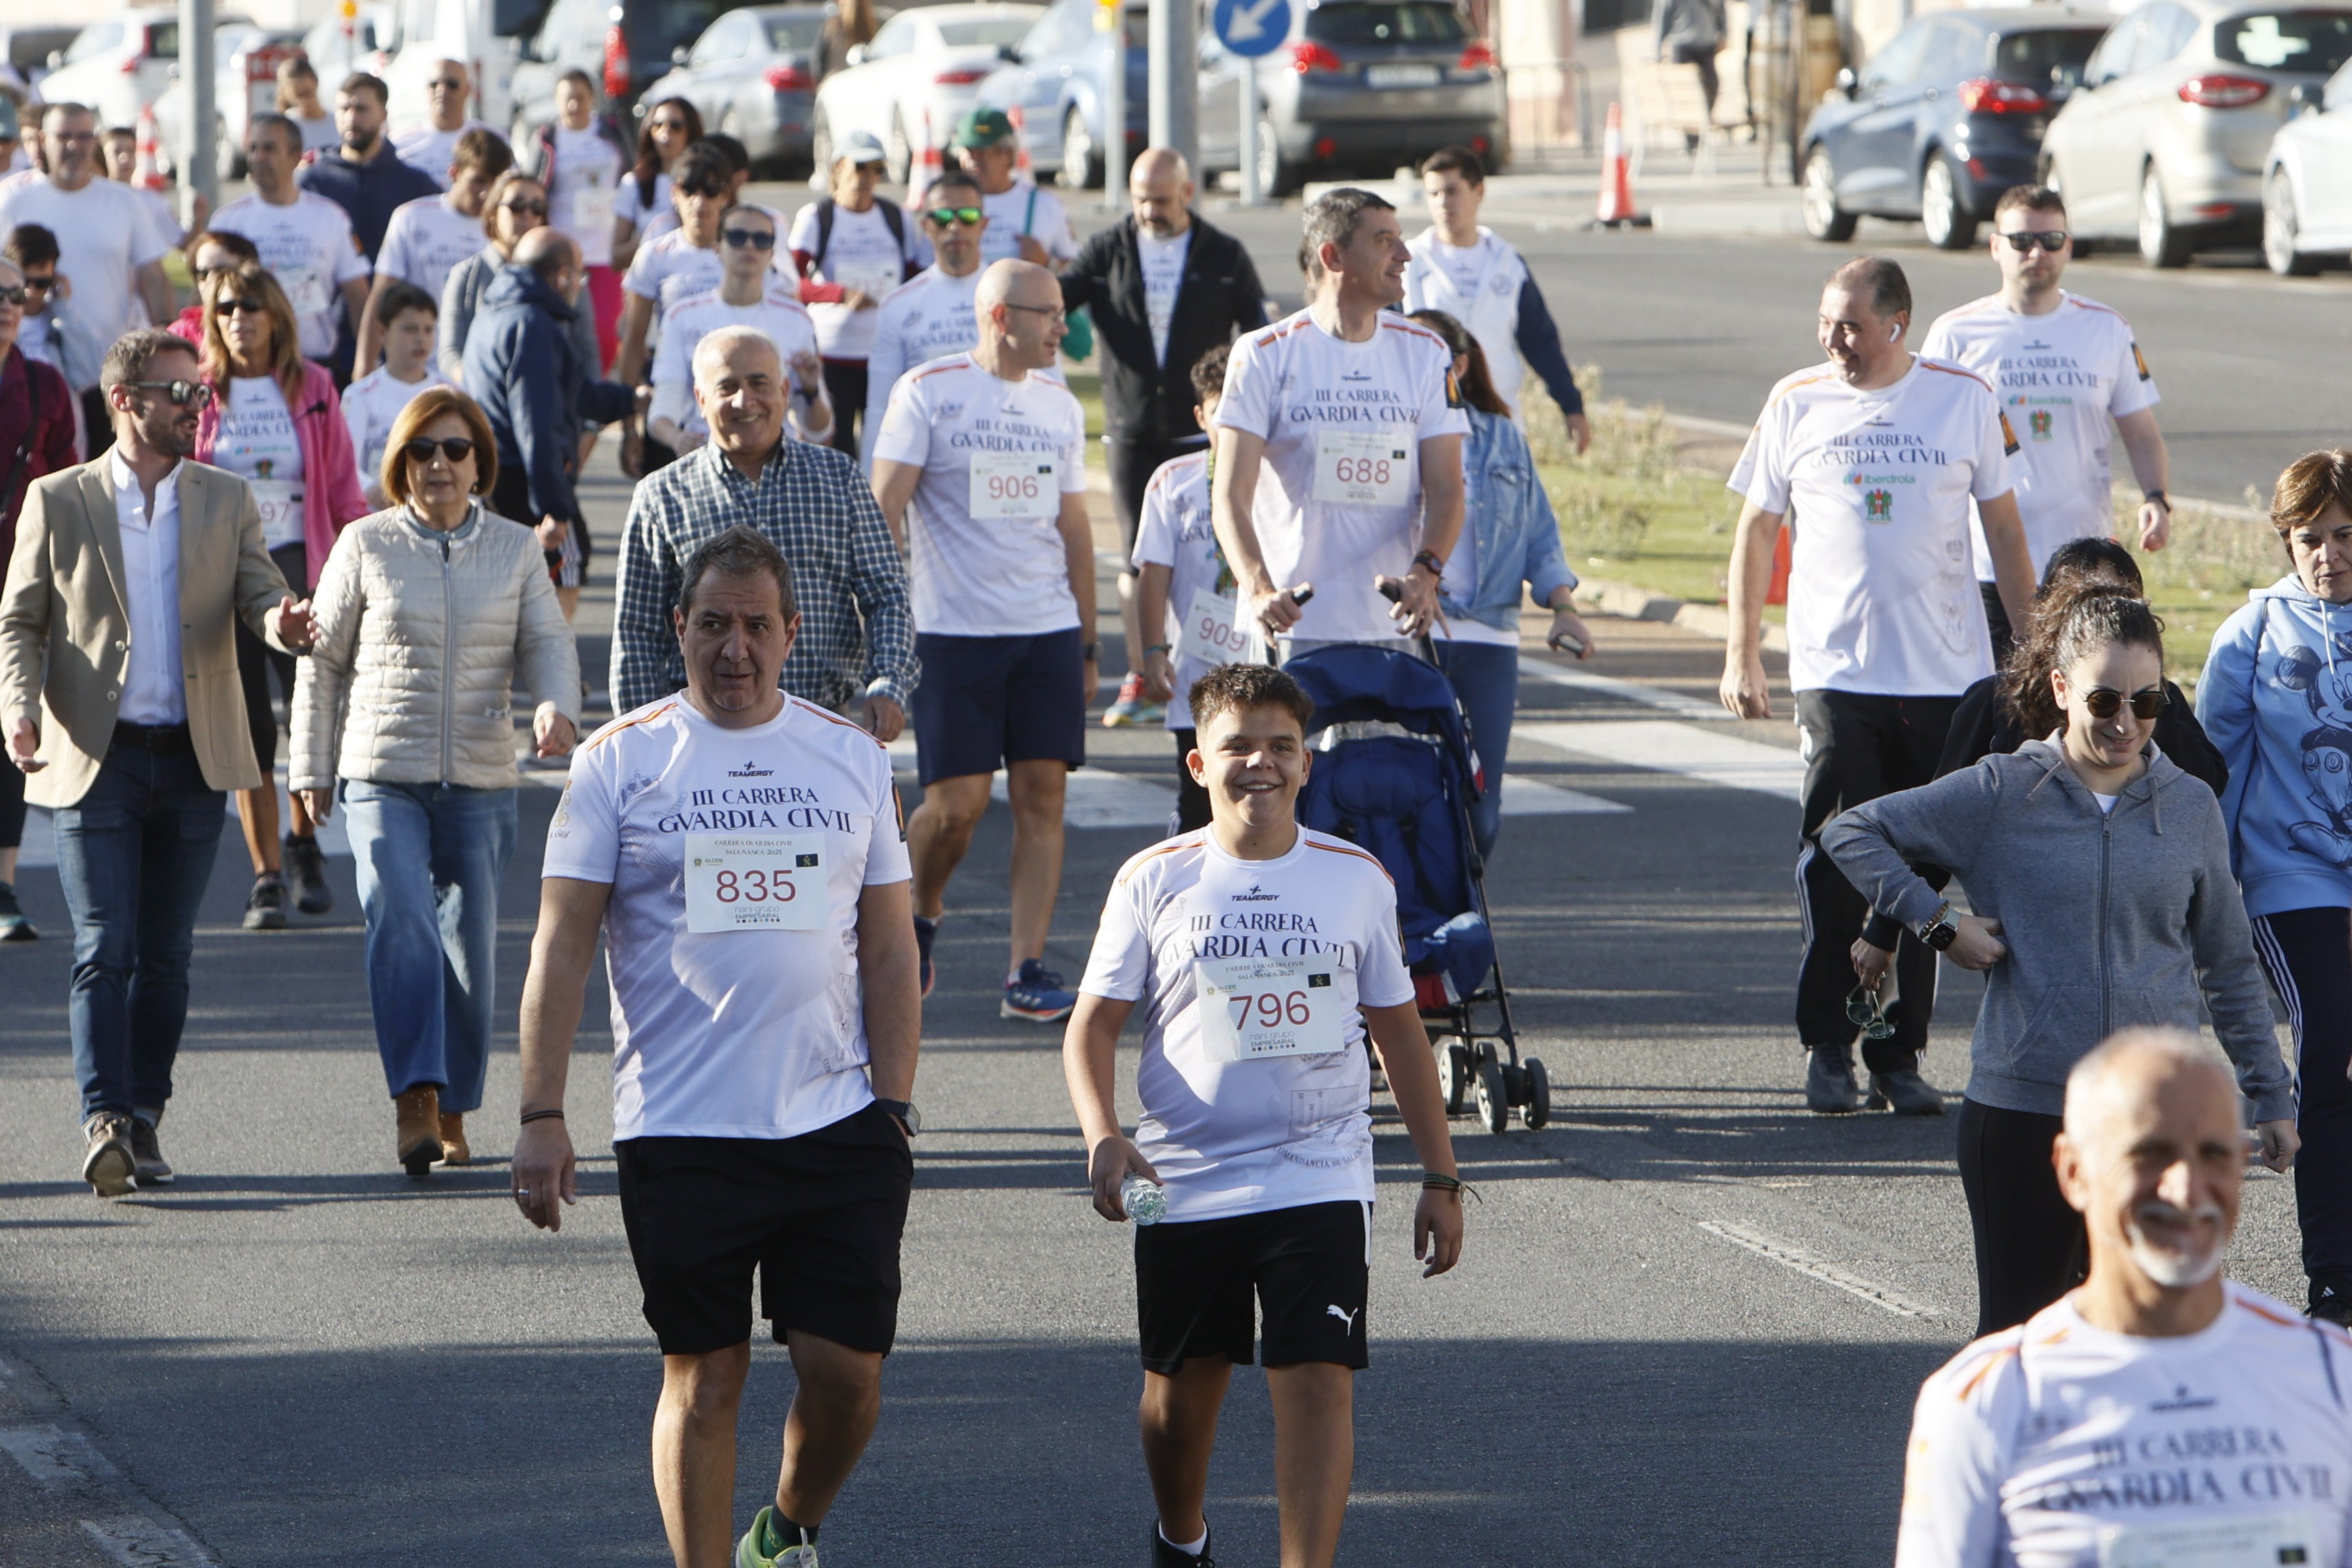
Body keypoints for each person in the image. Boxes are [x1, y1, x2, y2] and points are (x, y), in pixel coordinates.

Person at [513, 525, 921, 1568]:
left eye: (755, 626)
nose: (734, 649)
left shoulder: (851, 757)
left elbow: (888, 946)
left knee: (850, 1377)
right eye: (712, 625)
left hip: (836, 1118)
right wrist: (542, 1113)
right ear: (677, 629)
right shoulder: (622, 759)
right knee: (705, 1378)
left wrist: (894, 1104)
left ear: (792, 632)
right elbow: (562, 945)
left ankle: (784, 1530)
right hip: (682, 1126)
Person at [1064, 661, 1467, 1568]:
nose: (1261, 764)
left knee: (1320, 1380)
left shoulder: (1355, 878)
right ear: (1199, 763)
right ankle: (1182, 1537)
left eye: (1282, 746)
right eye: (1238, 746)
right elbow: (1091, 1027)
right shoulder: (1153, 879)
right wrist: (1103, 1136)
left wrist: (1441, 1175)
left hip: (1319, 1167)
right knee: (1178, 1397)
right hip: (1181, 1175)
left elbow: (1399, 1033)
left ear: (1306, 762)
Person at [1823, 591, 2296, 1335]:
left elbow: (2229, 965)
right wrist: (1939, 924)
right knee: (2024, 1343)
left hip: (2157, 1121)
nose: (2125, 722)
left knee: (2151, 1341)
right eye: (2104, 700)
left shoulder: (2190, 807)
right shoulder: (2002, 791)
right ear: (2062, 689)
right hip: (2026, 1111)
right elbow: (1851, 831)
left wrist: (2271, 1095)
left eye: (2147, 702)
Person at [0, 328, 317, 1195]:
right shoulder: (58, 499)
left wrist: (282, 623)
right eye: (179, 394)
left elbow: (259, 592)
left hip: (191, 759)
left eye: (200, 394)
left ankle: (144, 1114)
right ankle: (103, 1118)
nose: (195, 408)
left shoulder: (226, 495)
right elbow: (19, 619)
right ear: (124, 401)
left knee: (168, 954)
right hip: (94, 756)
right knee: (104, 944)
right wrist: (18, 708)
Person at [1720, 255, 2036, 1118]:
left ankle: (1900, 1052)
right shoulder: (1796, 400)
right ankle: (1829, 1044)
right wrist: (1741, 651)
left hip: (1945, 675)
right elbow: (1756, 531)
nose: (1835, 340)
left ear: (1898, 324)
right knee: (1835, 858)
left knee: (1923, 864)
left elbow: (2006, 534)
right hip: (1839, 674)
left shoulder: (1964, 398)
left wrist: (2032, 655)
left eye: (1852, 325)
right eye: (1826, 322)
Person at [1893, 1029, 2349, 1568]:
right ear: (2073, 1171)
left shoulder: (2331, 1377)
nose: (2185, 1189)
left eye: (2213, 1154)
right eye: (2150, 1154)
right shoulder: (1986, 1401)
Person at [292, 385, 578, 1174]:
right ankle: (415, 1095)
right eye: (422, 450)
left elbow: (547, 642)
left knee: (468, 950)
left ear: (480, 463)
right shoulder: (364, 543)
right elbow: (321, 663)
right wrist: (310, 766)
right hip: (381, 772)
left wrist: (555, 708)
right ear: (401, 464)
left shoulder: (515, 548)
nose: (440, 464)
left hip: (481, 776)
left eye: (455, 449)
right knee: (401, 916)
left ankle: (454, 1106)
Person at [872, 259, 1093, 1019]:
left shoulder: (1060, 403)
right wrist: (885, 626)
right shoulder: (928, 390)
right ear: (1000, 316)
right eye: (1048, 313)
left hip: (1046, 629)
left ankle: (1025, 969)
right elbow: (884, 509)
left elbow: (1075, 527)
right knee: (955, 807)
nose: (1062, 327)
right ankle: (918, 913)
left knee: (1044, 797)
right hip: (952, 632)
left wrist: (1087, 641)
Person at [1852, 539, 2229, 987]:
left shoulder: (2154, 703)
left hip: (2137, 934)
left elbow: (2207, 786)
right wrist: (1895, 930)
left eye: (2120, 606)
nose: (2104, 620)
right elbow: (1931, 834)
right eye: (2083, 604)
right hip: (2029, 943)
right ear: (2050, 613)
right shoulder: (1998, 701)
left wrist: (2148, 704)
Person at [2199, 448, 2352, 1328]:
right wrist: (2207, 896)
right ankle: (2335, 1279)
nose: (2329, 554)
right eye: (2310, 539)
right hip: (2293, 878)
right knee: (2333, 1045)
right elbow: (2212, 777)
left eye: (2345, 534)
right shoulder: (2252, 633)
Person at [1057, 147, 1270, 730]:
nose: (1149, 210)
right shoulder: (1108, 250)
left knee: (1214, 549)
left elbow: (1258, 332)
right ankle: (1142, 672)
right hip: (1131, 428)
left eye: (1161, 199)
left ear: (1187, 194)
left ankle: (1224, 665)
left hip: (1205, 429)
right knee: (1141, 554)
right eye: (1140, 199)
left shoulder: (1222, 253)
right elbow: (1058, 299)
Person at [613, 325, 912, 735]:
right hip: (700, 733)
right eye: (727, 387)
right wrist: (641, 736)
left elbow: (887, 594)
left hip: (820, 724)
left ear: (785, 391)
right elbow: (637, 630)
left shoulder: (838, 478)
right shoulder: (661, 495)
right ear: (701, 399)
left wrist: (889, 683)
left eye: (759, 383)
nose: (744, 400)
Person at [1212, 188, 1467, 658]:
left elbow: (1448, 488)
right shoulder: (1264, 354)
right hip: (1291, 627)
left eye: (1401, 239)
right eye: (1384, 241)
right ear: (1333, 257)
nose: (1404, 254)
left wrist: (1424, 575)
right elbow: (1230, 495)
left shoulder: (1427, 353)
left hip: (1392, 627)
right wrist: (1259, 589)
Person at [193, 259, 371, 930]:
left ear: (276, 316)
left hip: (305, 570)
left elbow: (345, 489)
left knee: (310, 718)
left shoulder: (314, 385)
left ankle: (303, 844)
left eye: (251, 306)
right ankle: (265, 875)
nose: (239, 319)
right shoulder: (202, 390)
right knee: (248, 729)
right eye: (226, 308)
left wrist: (362, 572)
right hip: (224, 578)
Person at [1921, 185, 2171, 658]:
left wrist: (2157, 497)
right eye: (2021, 241)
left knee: (2080, 690)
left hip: (2082, 563)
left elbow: (2141, 432)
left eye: (2051, 240)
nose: (2037, 253)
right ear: (1995, 247)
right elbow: (1931, 443)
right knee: (1999, 695)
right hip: (1986, 563)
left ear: (2068, 247)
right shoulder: (1955, 335)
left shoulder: (2106, 328)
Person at [1407, 308, 1594, 861]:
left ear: (1461, 366)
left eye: (1430, 357)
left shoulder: (1502, 437)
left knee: (1479, 818)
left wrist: (1563, 607)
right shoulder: (1390, 434)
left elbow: (1539, 534)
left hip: (1489, 638)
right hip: (1411, 635)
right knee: (1405, 800)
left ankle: (1460, 908)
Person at [463, 228, 635, 612]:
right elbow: (536, 423)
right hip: (524, 479)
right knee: (567, 563)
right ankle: (550, 654)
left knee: (510, 586)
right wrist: (553, 507)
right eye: (579, 276)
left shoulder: (495, 311)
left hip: (491, 474)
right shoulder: (534, 325)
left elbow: (575, 395)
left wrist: (629, 400)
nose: (580, 286)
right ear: (562, 276)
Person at [0, 105, 173, 456]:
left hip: (111, 373)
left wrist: (170, 344)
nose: (74, 146)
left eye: (83, 137)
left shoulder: (123, 201)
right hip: (29, 368)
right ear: (43, 140)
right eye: (63, 136)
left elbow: (153, 278)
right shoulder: (14, 200)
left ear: (95, 141)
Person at [1404, 146, 1588, 449]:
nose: (1442, 203)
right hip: (1432, 423)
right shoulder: (1410, 262)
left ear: (1478, 191)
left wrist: (1571, 406)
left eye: (1452, 191)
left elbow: (1540, 341)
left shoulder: (1507, 263)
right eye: (1433, 194)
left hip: (1500, 420)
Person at [0, 253, 78, 941]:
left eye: (13, 292)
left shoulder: (43, 382)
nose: (5, 304)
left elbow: (65, 482)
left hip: (17, 579)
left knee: (11, 726)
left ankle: (4, 884)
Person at [1133, 346, 1232, 836]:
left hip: (1272, 667)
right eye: (1219, 413)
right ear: (1200, 417)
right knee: (1201, 807)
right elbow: (1153, 573)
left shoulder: (1285, 474)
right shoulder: (1174, 481)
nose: (1231, 424)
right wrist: (1153, 652)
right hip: (1197, 673)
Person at [649, 206, 828, 452]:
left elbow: (820, 429)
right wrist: (677, 440)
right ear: (717, 246)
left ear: (772, 252)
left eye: (762, 240)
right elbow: (663, 409)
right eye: (737, 237)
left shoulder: (797, 318)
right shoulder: (681, 316)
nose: (749, 247)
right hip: (708, 450)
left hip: (777, 456)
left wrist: (811, 390)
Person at [787, 130, 920, 460]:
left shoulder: (896, 217)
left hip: (885, 354)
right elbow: (790, 283)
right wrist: (839, 294)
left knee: (887, 446)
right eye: (859, 167)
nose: (867, 177)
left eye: (877, 169)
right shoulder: (817, 217)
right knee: (839, 450)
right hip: (834, 354)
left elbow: (916, 278)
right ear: (838, 168)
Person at [206, 113, 373, 368]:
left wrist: (367, 363)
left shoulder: (330, 217)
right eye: (253, 149)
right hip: (248, 366)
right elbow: (208, 299)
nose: (258, 157)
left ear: (295, 156)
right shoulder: (228, 221)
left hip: (315, 362)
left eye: (269, 149)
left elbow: (358, 296)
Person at [859, 168, 988, 476]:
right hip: (925, 466)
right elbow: (880, 407)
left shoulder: (1013, 294)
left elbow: (1048, 387)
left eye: (968, 216)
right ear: (926, 226)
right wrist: (870, 484)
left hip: (996, 462)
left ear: (984, 224)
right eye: (942, 217)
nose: (955, 227)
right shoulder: (897, 306)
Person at [357, 126, 513, 373]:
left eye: (495, 184)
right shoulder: (411, 217)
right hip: (416, 368)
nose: (486, 194)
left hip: (476, 369)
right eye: (478, 181)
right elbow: (381, 294)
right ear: (454, 172)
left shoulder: (505, 228)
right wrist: (364, 366)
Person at [616, 144, 732, 476]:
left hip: (730, 387)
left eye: (710, 190)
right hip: (671, 388)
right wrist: (629, 429)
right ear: (674, 194)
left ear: (725, 196)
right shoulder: (656, 254)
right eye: (689, 190)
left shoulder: (742, 252)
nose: (699, 201)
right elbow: (634, 341)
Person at [436, 170, 599, 391]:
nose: (527, 215)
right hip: (483, 403)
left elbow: (587, 351)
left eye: (537, 208)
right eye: (517, 206)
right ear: (493, 213)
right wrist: (483, 385)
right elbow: (449, 352)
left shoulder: (565, 274)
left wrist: (590, 410)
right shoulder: (466, 275)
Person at [526, 69, 631, 369]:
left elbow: (632, 174)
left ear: (592, 99)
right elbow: (533, 188)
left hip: (605, 250)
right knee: (563, 331)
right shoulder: (547, 139)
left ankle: (597, 386)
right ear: (557, 101)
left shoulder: (611, 131)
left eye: (581, 98)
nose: (574, 106)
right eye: (568, 99)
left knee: (606, 334)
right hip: (563, 251)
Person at [296, 73, 441, 266]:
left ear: (383, 114)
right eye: (344, 109)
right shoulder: (312, 182)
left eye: (361, 109)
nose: (351, 118)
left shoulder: (416, 185)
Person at [341, 281, 451, 509]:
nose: (421, 339)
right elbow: (345, 462)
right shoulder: (359, 394)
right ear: (382, 332)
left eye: (428, 329)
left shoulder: (449, 394)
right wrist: (374, 490)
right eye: (410, 329)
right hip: (377, 514)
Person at [941, 107, 1077, 270]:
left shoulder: (1045, 204)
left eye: (982, 151)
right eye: (968, 151)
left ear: (1008, 154)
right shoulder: (945, 205)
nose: (973, 159)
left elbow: (1076, 268)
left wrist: (1047, 263)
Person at [611, 97, 700, 273]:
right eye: (658, 125)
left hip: (691, 276)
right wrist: (651, 238)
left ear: (691, 131)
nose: (665, 134)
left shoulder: (703, 182)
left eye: (676, 126)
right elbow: (616, 258)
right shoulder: (634, 183)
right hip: (649, 280)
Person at [392, 59, 492, 190]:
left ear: (467, 90)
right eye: (434, 84)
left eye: (452, 84)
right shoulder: (398, 143)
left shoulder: (490, 140)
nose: (442, 90)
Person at [97, 126, 186, 262]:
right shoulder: (94, 201)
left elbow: (183, 243)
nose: (124, 158)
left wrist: (199, 219)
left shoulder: (151, 201)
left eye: (130, 151)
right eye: (116, 152)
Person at [1653, 0, 1728, 146]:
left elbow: (1721, 9)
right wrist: (1658, 51)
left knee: (1712, 86)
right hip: (1682, 45)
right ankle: (1691, 137)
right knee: (1685, 94)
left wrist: (1723, 33)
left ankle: (1700, 127)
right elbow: (1662, 17)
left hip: (1706, 45)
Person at [168, 228, 261, 345]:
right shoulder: (179, 335)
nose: (211, 280)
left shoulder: (266, 329)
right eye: (202, 274)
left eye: (222, 272)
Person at [275, 56, 339, 156]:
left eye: (309, 92)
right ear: (287, 94)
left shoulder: (338, 121)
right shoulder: (287, 126)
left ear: (316, 83)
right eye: (298, 95)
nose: (305, 101)